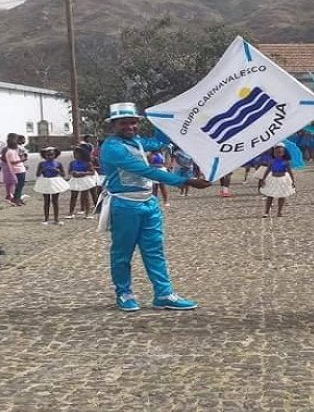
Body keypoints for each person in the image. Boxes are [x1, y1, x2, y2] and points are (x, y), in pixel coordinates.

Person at [99, 102, 211, 311]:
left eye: (133, 123)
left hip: (148, 203)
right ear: (114, 125)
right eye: (125, 123)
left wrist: (166, 118)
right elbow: (145, 171)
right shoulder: (112, 147)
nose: (130, 127)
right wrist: (184, 181)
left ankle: (164, 293)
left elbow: (160, 141)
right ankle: (124, 292)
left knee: (154, 250)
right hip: (125, 205)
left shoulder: (138, 142)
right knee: (122, 252)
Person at [34, 146, 70, 225]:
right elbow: (37, 174)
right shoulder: (41, 164)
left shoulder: (58, 163)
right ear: (44, 155)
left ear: (55, 155)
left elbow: (63, 174)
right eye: (48, 155)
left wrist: (57, 171)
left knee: (55, 201)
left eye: (51, 154)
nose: (50, 156)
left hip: (55, 181)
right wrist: (42, 170)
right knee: (46, 201)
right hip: (45, 181)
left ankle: (56, 219)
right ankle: (46, 219)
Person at [259, 144, 296, 217]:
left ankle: (279, 211)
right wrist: (263, 179)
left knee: (282, 196)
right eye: (276, 153)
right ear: (273, 153)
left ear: (283, 153)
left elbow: (290, 171)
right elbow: (267, 170)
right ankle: (266, 212)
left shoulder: (286, 162)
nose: (278, 154)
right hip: (273, 179)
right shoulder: (272, 161)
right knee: (270, 196)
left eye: (280, 152)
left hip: (283, 180)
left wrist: (293, 181)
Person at [66, 146, 97, 219]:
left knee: (85, 197)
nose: (74, 155)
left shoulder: (87, 163)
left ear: (81, 154)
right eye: (74, 153)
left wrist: (82, 173)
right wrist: (72, 173)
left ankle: (87, 214)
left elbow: (92, 172)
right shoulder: (72, 163)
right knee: (73, 196)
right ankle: (71, 213)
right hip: (75, 180)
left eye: (76, 154)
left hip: (84, 180)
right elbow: (69, 171)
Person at [2, 134, 26, 206]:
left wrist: (21, 160)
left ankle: (17, 198)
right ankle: (15, 198)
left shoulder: (17, 149)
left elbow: (19, 157)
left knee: (19, 185)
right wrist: (20, 160)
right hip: (14, 169)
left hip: (19, 168)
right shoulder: (7, 150)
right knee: (17, 185)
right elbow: (7, 159)